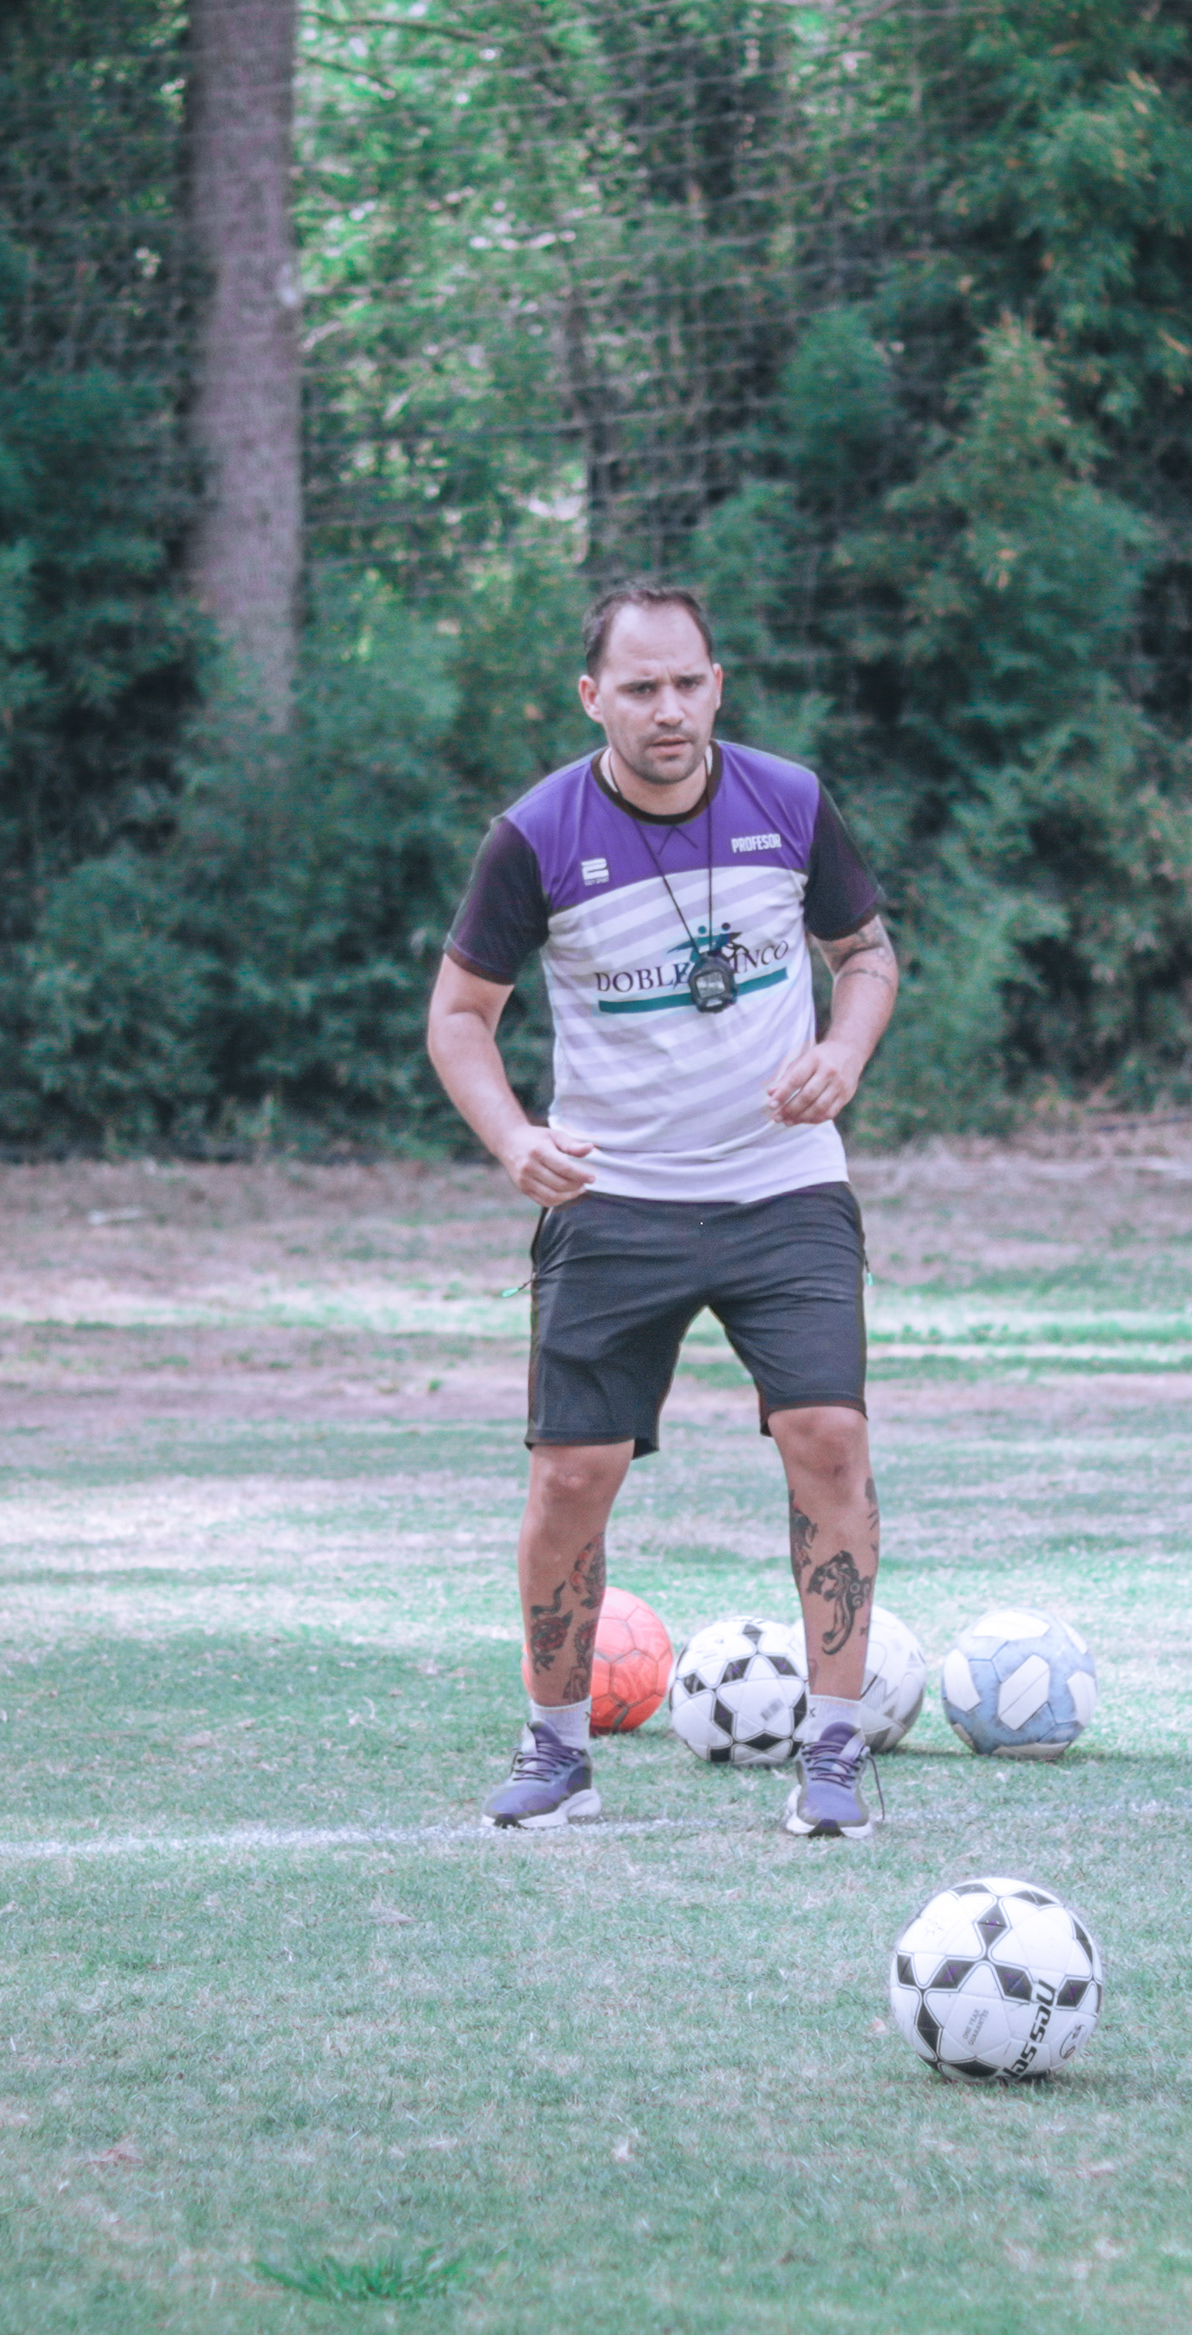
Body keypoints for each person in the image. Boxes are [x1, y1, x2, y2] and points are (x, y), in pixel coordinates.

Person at [427, 583, 902, 1840]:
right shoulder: (537, 835)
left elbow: (866, 956)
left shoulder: (789, 802)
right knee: (571, 1476)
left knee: (829, 1437)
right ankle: (556, 1749)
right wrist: (515, 1136)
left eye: (689, 681)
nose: (670, 709)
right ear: (594, 699)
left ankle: (837, 1748)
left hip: (782, 1184)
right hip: (615, 1196)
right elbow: (459, 1017)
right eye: (640, 688)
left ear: (717, 684)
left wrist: (844, 1051)